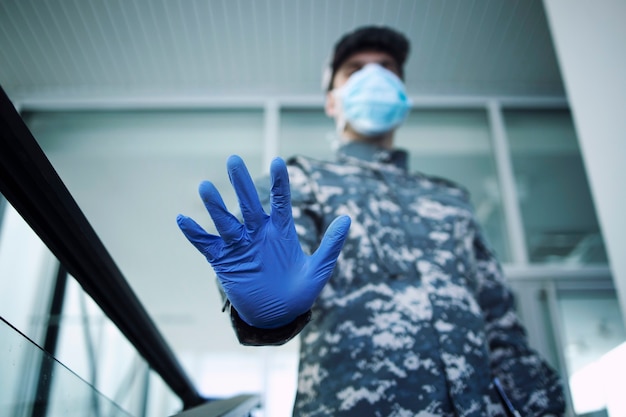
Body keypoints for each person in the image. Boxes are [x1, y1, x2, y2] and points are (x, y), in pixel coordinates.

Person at [177, 26, 565, 417]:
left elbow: (500, 323)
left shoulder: (452, 199)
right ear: (332, 101)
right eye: (355, 70)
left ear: (403, 94)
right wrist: (265, 316)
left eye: (387, 68)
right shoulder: (302, 181)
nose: (374, 77)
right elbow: (272, 254)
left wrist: (542, 405)